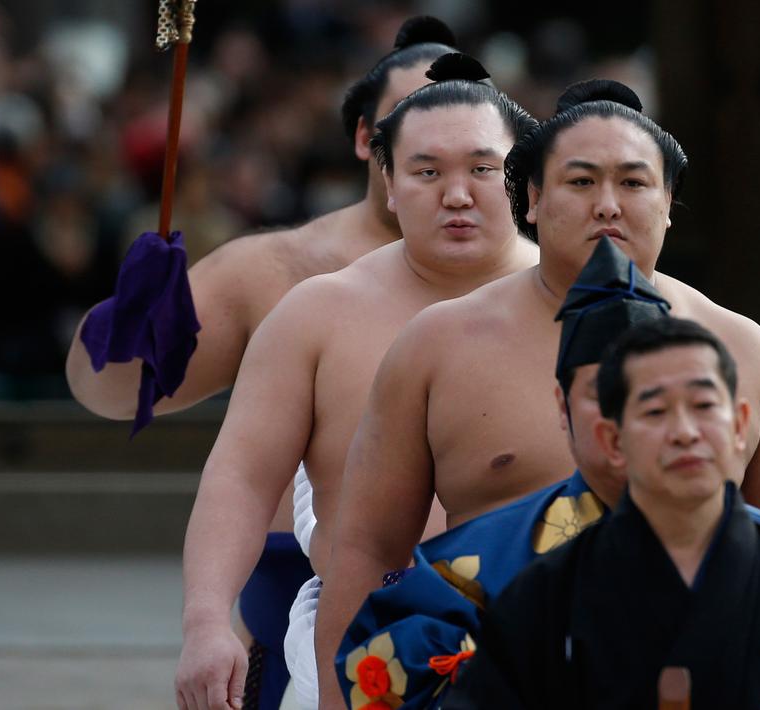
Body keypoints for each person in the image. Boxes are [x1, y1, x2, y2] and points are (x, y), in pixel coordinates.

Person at [317, 79, 760, 708]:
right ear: (532, 200)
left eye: (633, 183)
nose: (607, 206)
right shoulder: (436, 345)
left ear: (668, 201)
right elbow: (367, 549)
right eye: (580, 182)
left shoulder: (742, 348)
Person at [64, 17, 458, 710]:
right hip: (294, 591)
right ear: (366, 139)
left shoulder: (538, 277)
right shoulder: (276, 270)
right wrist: (133, 316)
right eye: (411, 117)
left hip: (489, 589)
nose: (436, 140)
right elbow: (111, 390)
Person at [176, 54, 539, 710]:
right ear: (389, 183)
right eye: (427, 171)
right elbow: (242, 476)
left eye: (483, 169)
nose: (457, 194)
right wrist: (205, 621)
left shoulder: (591, 310)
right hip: (354, 643)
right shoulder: (316, 313)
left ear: (526, 179)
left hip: (542, 645)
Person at [444, 317, 760, 709]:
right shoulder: (547, 595)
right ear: (613, 440)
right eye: (655, 412)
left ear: (739, 424)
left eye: (703, 405)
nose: (684, 432)